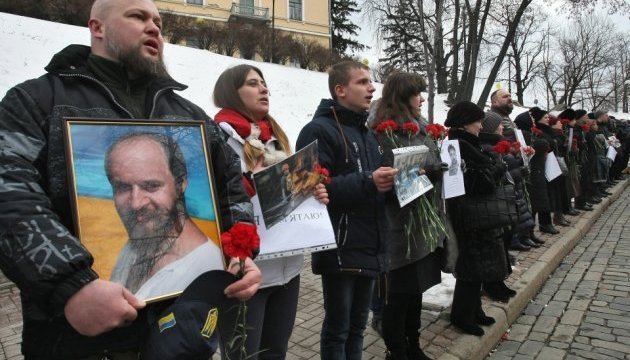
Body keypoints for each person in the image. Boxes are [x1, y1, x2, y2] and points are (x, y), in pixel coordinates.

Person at [0, 0, 261, 358]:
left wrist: (241, 252)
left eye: (157, 20)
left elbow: (231, 184)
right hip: (75, 342)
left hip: (183, 336)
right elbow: (9, 193)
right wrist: (71, 286)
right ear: (98, 27)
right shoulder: (37, 101)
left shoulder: (188, 114)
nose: (154, 27)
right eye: (137, 17)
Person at [213, 64, 329, 360]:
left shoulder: (274, 137)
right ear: (231, 92)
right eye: (253, 84)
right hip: (246, 274)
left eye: (264, 84)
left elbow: (288, 196)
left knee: (275, 352)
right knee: (243, 356)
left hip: (287, 270)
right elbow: (215, 200)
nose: (264, 89)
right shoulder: (218, 139)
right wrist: (252, 183)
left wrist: (312, 192)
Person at [296, 60, 397, 360]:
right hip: (339, 245)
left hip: (370, 241)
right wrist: (369, 182)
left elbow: (370, 184)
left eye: (371, 82)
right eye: (363, 82)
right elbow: (309, 190)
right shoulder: (318, 129)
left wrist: (397, 181)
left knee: (358, 327)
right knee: (338, 329)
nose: (372, 88)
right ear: (340, 90)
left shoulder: (366, 133)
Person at [370, 72, 448, 360]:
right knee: (398, 296)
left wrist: (437, 169)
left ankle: (414, 346)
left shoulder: (422, 128)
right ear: (403, 98)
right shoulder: (382, 133)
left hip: (423, 224)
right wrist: (426, 174)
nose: (423, 98)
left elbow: (429, 163)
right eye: (417, 94)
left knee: (417, 292)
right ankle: (397, 351)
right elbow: (385, 182)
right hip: (399, 227)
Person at [105, 132, 224, 300]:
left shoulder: (207, 270)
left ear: (180, 184)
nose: (136, 204)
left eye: (151, 186)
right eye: (122, 187)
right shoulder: (140, 242)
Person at [445, 101, 511, 337]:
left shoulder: (467, 142)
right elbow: (478, 183)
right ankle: (461, 314)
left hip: (472, 213)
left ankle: (474, 309)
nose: (481, 125)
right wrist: (498, 168)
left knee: (477, 265)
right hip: (468, 214)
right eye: (477, 121)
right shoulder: (460, 144)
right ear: (465, 122)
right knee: (470, 267)